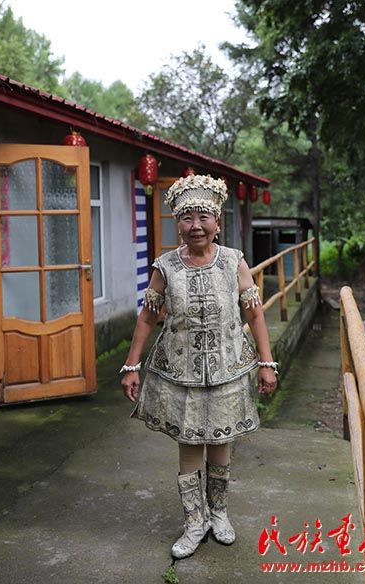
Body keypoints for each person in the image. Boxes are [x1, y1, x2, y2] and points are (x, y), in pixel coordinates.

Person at [120, 174, 278, 559]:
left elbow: (254, 314)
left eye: (203, 217)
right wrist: (131, 365)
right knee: (189, 446)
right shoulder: (166, 266)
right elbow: (148, 317)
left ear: (217, 222)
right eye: (187, 217)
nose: (196, 225)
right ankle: (194, 522)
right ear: (178, 224)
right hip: (181, 373)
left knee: (221, 443)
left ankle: (218, 513)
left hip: (228, 370)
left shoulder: (234, 262)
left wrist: (266, 362)